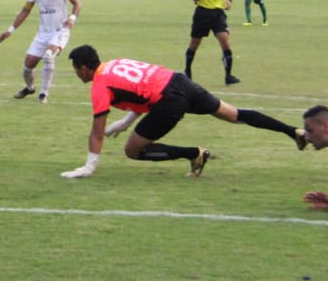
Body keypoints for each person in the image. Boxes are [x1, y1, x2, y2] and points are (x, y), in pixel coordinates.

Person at [59, 45, 306, 180]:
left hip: (169, 100)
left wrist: (89, 166)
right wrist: (125, 123)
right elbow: (141, 91)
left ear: (83, 68)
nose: (76, 73)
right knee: (234, 114)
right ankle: (293, 131)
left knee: (132, 150)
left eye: (75, 69)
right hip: (180, 81)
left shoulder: (100, 85)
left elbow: (97, 131)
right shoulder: (114, 64)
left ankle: (195, 154)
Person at [0, 0, 81, 104]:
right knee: (27, 68)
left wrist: (72, 18)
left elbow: (77, 4)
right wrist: (10, 30)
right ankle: (30, 88)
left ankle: (44, 93)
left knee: (49, 56)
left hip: (60, 31)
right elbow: (25, 10)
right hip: (42, 33)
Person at [182, 0, 239, 85]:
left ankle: (228, 76)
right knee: (195, 44)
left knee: (225, 42)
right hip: (202, 12)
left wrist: (229, 0)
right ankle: (187, 71)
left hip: (218, 13)